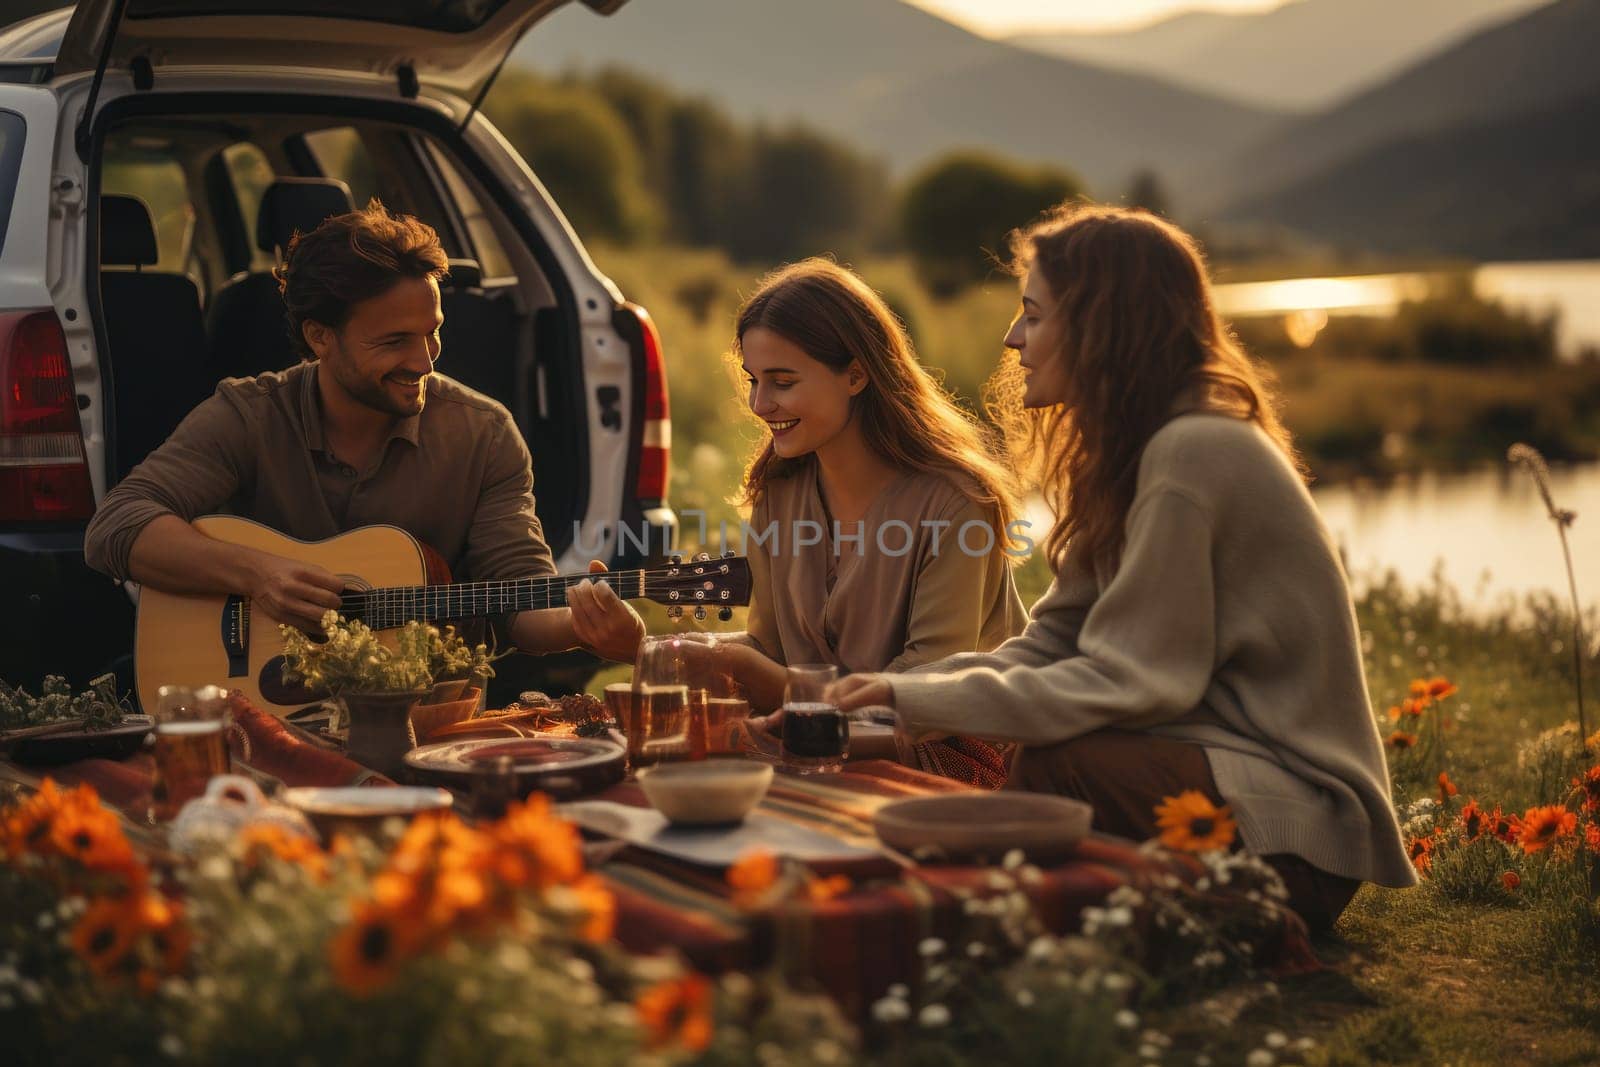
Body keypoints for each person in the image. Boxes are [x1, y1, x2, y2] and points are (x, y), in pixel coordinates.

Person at [831, 203, 1415, 928]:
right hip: (1221, 791)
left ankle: (1037, 923)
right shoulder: (1136, 456)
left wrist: (913, 701)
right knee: (1020, 749)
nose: (1014, 338)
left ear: (1101, 326)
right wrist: (891, 688)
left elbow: (1131, 681)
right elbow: (1051, 643)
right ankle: (1054, 913)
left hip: (1296, 835)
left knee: (1058, 760)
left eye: (1035, 315)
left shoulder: (1191, 453)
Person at [84, 200, 641, 680]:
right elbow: (117, 525)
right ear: (320, 337)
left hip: (416, 707)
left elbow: (522, 598)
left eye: (433, 333)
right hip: (257, 699)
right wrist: (258, 574)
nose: (423, 361)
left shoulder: (484, 434)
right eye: (395, 341)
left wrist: (582, 626)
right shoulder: (248, 414)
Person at [712, 259, 1027, 786]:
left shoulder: (956, 503)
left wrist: (761, 685)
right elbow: (768, 650)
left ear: (856, 374)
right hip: (814, 740)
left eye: (783, 382)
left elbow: (925, 695)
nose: (760, 405)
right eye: (754, 381)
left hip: (948, 757)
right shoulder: (779, 490)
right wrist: (686, 654)